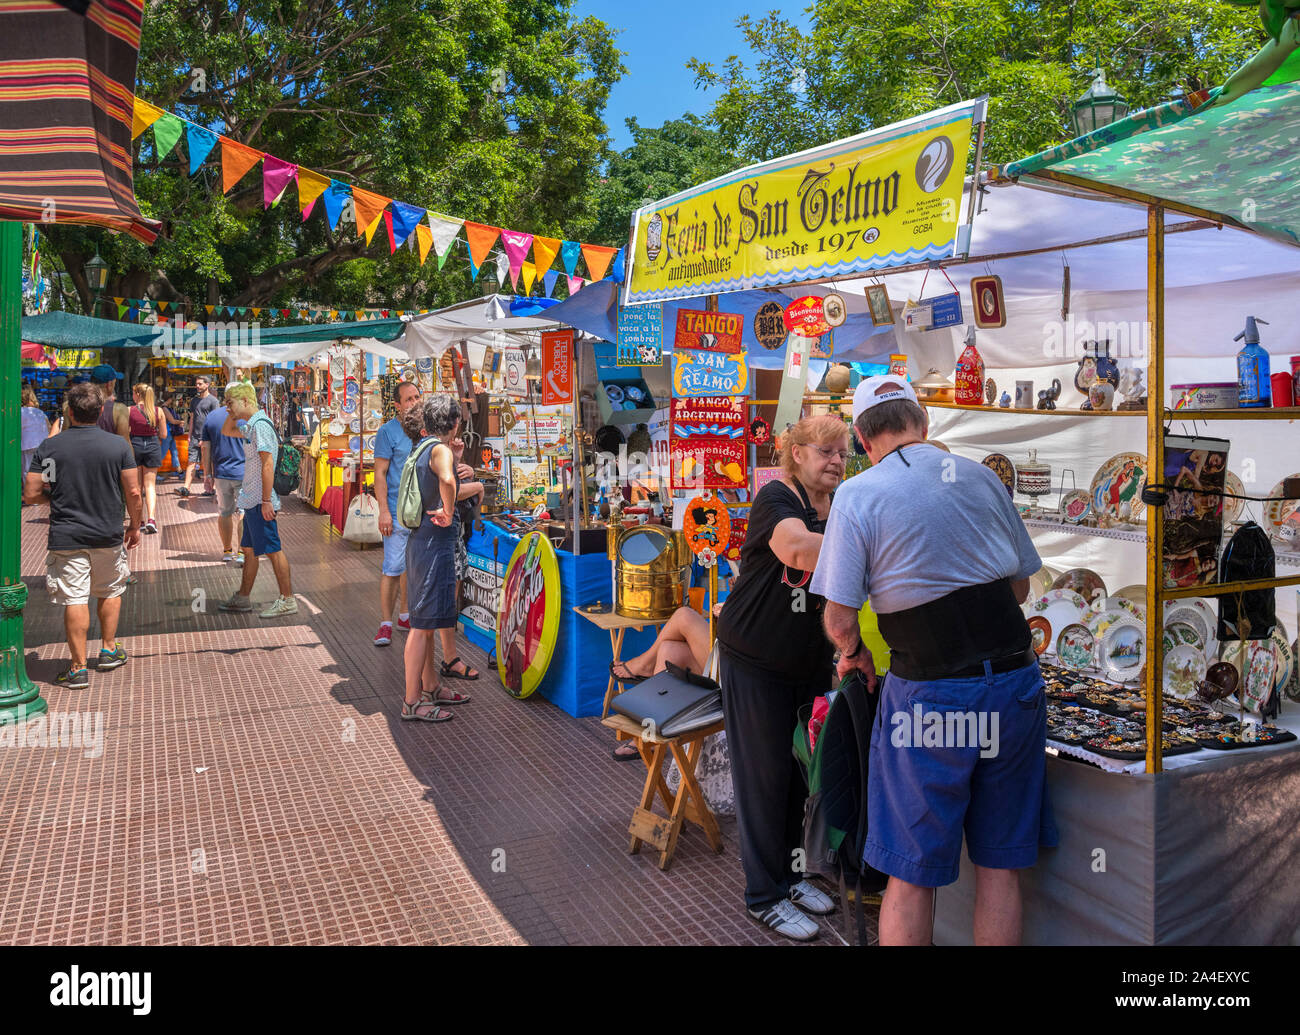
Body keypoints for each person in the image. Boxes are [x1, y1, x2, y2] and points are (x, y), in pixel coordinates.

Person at [814, 375, 1057, 947]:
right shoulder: (979, 476)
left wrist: (853, 654)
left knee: (911, 874)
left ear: (862, 438)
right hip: (1013, 682)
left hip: (931, 693)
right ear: (923, 425)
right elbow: (1021, 590)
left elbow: (840, 616)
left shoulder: (858, 493)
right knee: (1001, 868)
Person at [714, 413, 850, 941]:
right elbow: (795, 549)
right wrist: (869, 546)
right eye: (826, 451)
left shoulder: (839, 506)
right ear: (797, 454)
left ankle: (792, 875)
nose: (836, 461)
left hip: (807, 660)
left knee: (799, 775)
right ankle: (762, 895)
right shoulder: (777, 499)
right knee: (764, 778)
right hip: (754, 658)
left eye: (842, 452)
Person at [22, 381, 141, 689]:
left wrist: (54, 500)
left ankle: (77, 668)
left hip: (67, 535)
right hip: (108, 532)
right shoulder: (118, 446)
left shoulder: (51, 447)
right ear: (100, 411)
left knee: (75, 597)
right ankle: (108, 649)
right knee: (110, 589)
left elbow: (34, 492)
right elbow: (134, 491)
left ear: (69, 413)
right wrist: (135, 525)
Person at [400, 396, 472, 721]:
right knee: (420, 626)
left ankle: (430, 686)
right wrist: (448, 508)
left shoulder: (424, 447)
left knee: (426, 623)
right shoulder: (438, 450)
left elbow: (443, 474)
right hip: (432, 546)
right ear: (455, 423)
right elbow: (446, 479)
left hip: (421, 543)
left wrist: (454, 461)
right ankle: (412, 701)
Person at [217, 383, 296, 618]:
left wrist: (266, 501)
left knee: (273, 550)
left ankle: (288, 599)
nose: (226, 407)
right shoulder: (252, 425)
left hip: (260, 500)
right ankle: (243, 597)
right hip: (252, 499)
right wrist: (233, 410)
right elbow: (227, 431)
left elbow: (268, 464)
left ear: (245, 401)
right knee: (250, 550)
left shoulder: (260, 426)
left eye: (230, 402)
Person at [609, 601, 723, 761]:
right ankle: (650, 733)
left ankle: (645, 664)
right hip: (732, 651)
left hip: (744, 671)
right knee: (669, 650)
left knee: (685, 616)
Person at [372, 380, 422, 646]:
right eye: (409, 399)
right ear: (398, 406)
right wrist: (383, 511)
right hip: (395, 509)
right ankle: (385, 623)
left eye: (417, 397)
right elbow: (379, 474)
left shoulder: (426, 429)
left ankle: (405, 615)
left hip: (421, 512)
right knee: (392, 568)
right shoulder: (387, 432)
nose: (414, 402)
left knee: (410, 567)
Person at [438, 431, 484, 680]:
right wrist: (476, 486)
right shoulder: (433, 451)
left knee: (446, 599)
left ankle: (447, 659)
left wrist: (456, 461)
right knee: (442, 601)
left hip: (448, 534)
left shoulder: (438, 451)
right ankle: (444, 664)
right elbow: (450, 491)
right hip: (440, 536)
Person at [199, 383, 247, 564]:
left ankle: (227, 551)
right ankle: (242, 552)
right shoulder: (246, 416)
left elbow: (205, 447)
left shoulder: (212, 417)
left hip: (221, 473)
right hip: (244, 472)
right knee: (244, 512)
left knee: (225, 512)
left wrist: (207, 474)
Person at [128, 383, 166, 534]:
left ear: (137, 394)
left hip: (135, 446)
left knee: (137, 488)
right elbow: (163, 435)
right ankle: (151, 519)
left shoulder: (129, 410)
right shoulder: (158, 411)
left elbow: (125, 431)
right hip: (152, 445)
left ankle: (139, 520)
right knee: (150, 486)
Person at [178, 374, 219, 497]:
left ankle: (210, 488)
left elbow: (215, 421)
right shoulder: (194, 401)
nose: (197, 386)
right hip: (195, 436)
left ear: (207, 385)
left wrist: (208, 438)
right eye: (197, 384)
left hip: (208, 438)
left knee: (209, 463)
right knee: (191, 461)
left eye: (200, 384)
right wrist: (189, 434)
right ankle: (186, 487)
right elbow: (192, 419)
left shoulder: (214, 401)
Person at [20, 385, 50, 496]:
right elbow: (48, 426)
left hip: (28, 445)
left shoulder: (20, 412)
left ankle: (31, 494)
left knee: (27, 470)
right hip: (42, 443)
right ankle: (40, 492)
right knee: (40, 470)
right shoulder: (39, 412)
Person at [159, 393, 184, 478]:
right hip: (168, 433)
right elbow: (172, 421)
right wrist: (180, 422)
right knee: (162, 453)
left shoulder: (164, 408)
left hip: (169, 433)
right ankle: (153, 472)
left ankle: (179, 471)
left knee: (174, 452)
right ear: (169, 399)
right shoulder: (164, 408)